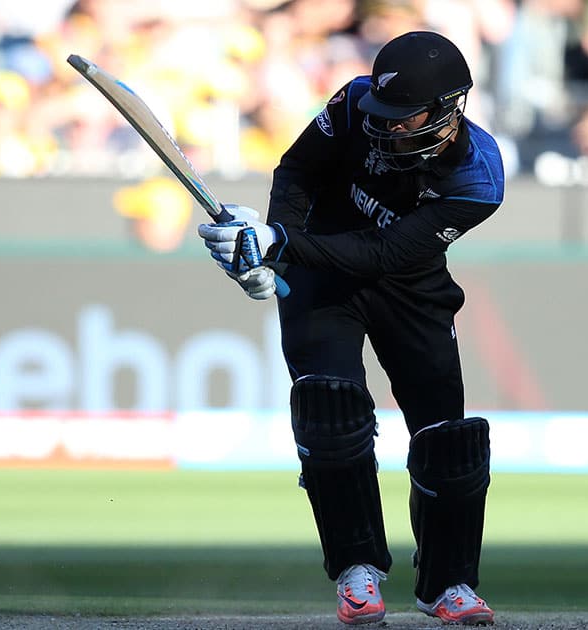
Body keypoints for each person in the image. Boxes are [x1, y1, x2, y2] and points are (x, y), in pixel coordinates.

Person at [198, 31, 504, 626]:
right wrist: (271, 252)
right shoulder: (351, 105)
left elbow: (385, 252)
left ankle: (448, 585)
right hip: (318, 283)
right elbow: (295, 173)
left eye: (403, 117)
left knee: (448, 439)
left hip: (409, 288)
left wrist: (282, 243)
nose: (386, 127)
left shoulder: (477, 177)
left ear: (448, 109)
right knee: (330, 413)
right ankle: (356, 571)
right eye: (382, 114)